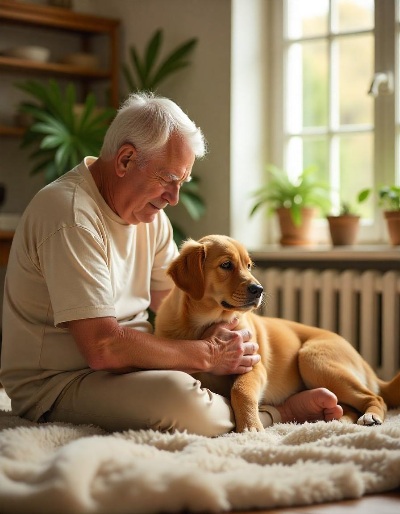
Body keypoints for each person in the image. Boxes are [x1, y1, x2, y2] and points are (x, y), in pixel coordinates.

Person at [0, 93, 343, 436]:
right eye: (167, 179)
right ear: (125, 160)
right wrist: (207, 354)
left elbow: (173, 302)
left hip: (128, 364)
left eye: (182, 183)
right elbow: (103, 347)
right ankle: (278, 412)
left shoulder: (150, 216)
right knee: (182, 401)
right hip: (59, 383)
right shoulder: (71, 216)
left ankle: (252, 403)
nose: (174, 198)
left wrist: (223, 333)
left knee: (204, 382)